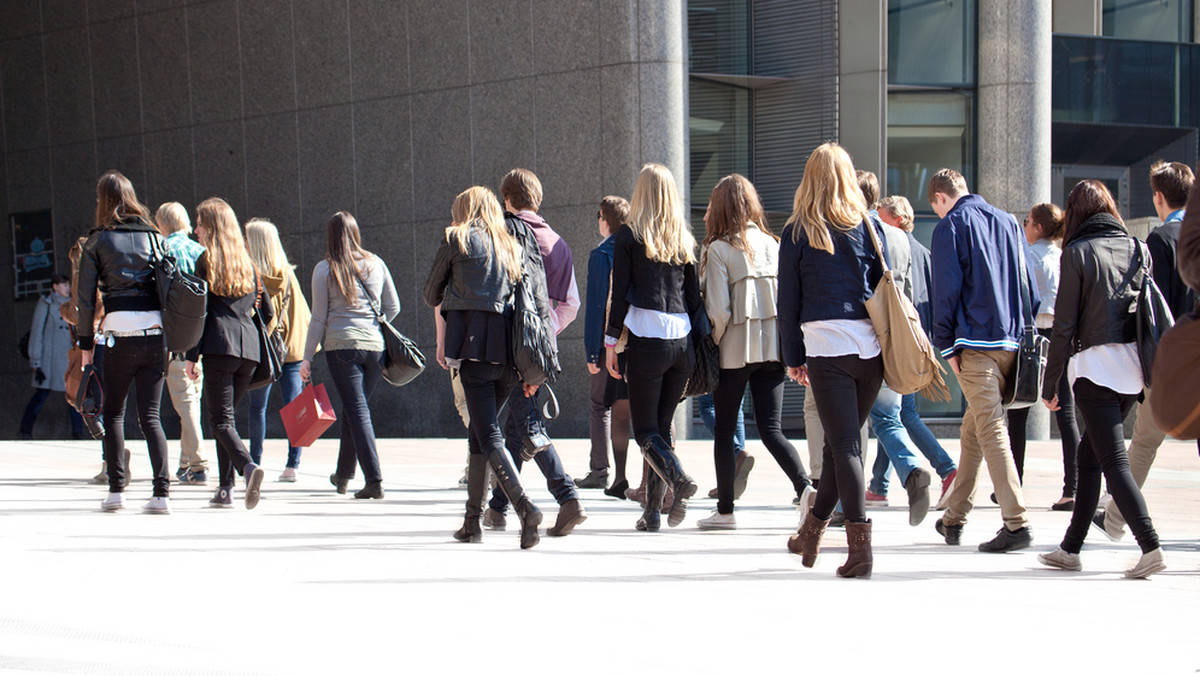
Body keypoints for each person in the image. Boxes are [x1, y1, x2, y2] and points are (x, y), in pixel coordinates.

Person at [1036, 180, 1166, 579]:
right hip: (1133, 369)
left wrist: (1050, 381)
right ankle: (1070, 548)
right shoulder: (1136, 247)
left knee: (1114, 462)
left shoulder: (1075, 254)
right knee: (1089, 458)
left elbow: (1063, 327)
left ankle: (1151, 546)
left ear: (1076, 213)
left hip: (1095, 369)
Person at [778, 143, 885, 578]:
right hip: (870, 352)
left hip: (827, 350)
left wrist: (793, 358)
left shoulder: (797, 231)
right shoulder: (868, 226)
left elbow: (788, 303)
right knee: (839, 447)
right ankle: (811, 533)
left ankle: (860, 549)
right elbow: (880, 289)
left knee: (844, 447)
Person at [425, 186, 548, 549]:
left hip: (474, 350)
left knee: (488, 433)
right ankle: (471, 522)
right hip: (509, 355)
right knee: (479, 435)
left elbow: (431, 293)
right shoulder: (510, 244)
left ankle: (525, 507)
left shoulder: (457, 238)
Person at [696, 173, 812, 531]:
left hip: (732, 351)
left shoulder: (717, 249)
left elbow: (718, 311)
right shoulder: (774, 245)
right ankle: (806, 489)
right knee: (772, 428)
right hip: (773, 349)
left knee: (725, 428)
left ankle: (726, 511)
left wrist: (711, 343)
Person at [927, 168, 1035, 553]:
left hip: (974, 345)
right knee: (973, 433)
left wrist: (946, 348)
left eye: (936, 208)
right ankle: (953, 519)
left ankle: (1016, 522)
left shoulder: (950, 226)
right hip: (1013, 342)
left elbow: (946, 291)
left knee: (990, 430)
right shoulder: (1008, 221)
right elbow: (1029, 287)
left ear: (940, 198)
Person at [483, 169, 587, 538]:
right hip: (540, 351)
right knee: (516, 425)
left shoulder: (503, 232)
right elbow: (571, 304)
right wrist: (542, 334)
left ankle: (567, 496)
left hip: (507, 347)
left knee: (527, 424)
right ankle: (497, 507)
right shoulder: (558, 242)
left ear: (507, 198)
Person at [1095, 161, 1196, 539]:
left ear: (1158, 197)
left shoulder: (1162, 240)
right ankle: (1115, 516)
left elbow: (1156, 310)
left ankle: (1115, 518)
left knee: (1145, 439)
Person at [604, 163, 701, 532]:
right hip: (682, 344)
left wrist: (611, 343)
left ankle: (677, 480)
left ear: (640, 193)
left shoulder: (629, 236)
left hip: (647, 340)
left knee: (645, 431)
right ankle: (653, 513)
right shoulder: (683, 238)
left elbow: (622, 293)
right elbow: (694, 299)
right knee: (661, 426)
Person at [76, 170, 172, 514]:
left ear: (103, 200)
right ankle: (162, 495)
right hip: (156, 333)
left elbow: (85, 300)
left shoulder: (97, 240)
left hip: (119, 333)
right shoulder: (154, 237)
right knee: (151, 417)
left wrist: (85, 343)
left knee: (114, 413)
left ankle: (117, 491)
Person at [300, 212, 398, 500]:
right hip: (375, 348)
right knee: (355, 408)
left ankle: (374, 480)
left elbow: (319, 318)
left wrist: (307, 357)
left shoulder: (324, 269)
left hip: (342, 348)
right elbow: (393, 306)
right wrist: (373, 326)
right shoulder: (376, 263)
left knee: (357, 410)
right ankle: (343, 475)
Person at [856, 172, 934, 528]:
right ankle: (912, 467)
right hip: (898, 339)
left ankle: (848, 497)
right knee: (888, 417)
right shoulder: (901, 237)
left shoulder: (858, 231)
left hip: (863, 338)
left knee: (846, 424)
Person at [185, 198, 271, 510]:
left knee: (219, 422)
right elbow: (269, 312)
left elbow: (199, 313)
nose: (196, 230)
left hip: (219, 347)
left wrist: (190, 356)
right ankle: (225, 489)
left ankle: (248, 468)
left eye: (199, 223)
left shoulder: (206, 261)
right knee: (228, 421)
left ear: (212, 227)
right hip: (249, 351)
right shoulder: (250, 266)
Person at [873, 196, 958, 507]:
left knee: (899, 414)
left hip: (900, 342)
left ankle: (947, 469)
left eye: (881, 218)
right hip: (918, 340)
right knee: (891, 413)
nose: (877, 224)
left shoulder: (894, 247)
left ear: (895, 219)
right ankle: (878, 485)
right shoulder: (923, 251)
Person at [1005, 202, 1079, 511]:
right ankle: (1072, 488)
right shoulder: (1065, 257)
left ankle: (1014, 485)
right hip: (1062, 338)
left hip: (1032, 338)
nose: (1024, 226)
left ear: (1037, 227)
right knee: (1066, 413)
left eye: (1027, 221)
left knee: (1018, 412)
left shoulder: (1029, 257)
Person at [245, 219, 312, 482]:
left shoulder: (251, 275)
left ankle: (254, 463)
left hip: (263, 352)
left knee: (256, 408)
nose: (244, 243)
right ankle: (292, 466)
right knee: (294, 408)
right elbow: (302, 316)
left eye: (248, 238)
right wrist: (304, 352)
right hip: (291, 352)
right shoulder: (288, 273)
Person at [578, 195, 634, 498]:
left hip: (607, 342)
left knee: (600, 406)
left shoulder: (601, 255)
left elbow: (598, 306)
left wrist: (591, 350)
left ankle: (600, 470)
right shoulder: (636, 249)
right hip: (636, 339)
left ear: (605, 219)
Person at [156, 202, 209, 485]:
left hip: (175, 336)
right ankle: (186, 461)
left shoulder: (163, 250)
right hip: (201, 336)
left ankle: (198, 464)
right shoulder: (200, 251)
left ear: (161, 223)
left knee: (185, 401)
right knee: (192, 400)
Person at [20, 274, 83, 439]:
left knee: (73, 396)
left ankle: (78, 433)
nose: (67, 288)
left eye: (68, 285)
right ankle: (25, 431)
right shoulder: (46, 304)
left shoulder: (73, 304)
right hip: (49, 360)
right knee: (41, 395)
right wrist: (36, 360)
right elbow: (36, 333)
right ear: (55, 286)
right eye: (63, 285)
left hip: (68, 358)